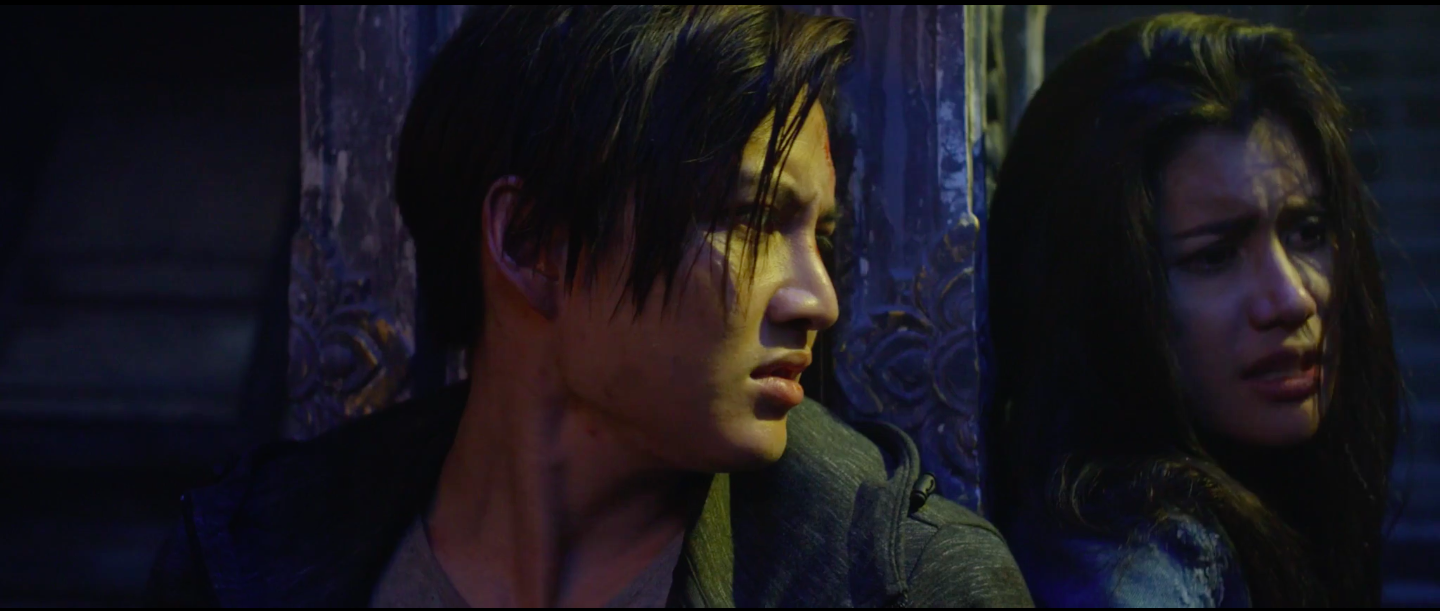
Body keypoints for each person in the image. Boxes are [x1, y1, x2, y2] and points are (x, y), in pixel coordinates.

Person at [146, 5, 1033, 608]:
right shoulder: (251, 559)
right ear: (533, 241)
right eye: (750, 220)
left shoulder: (908, 584)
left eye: (820, 237)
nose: (818, 300)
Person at [983, 12, 1403, 608]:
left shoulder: (1254, 497)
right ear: (1101, 297)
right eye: (1215, 256)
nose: (1293, 299)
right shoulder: (1139, 561)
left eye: (1307, 231)